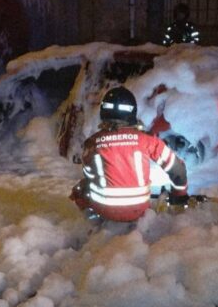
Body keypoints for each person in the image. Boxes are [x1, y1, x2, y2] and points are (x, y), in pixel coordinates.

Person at [70, 86, 189, 222]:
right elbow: (178, 170)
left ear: (103, 111)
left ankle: (92, 222)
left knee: (81, 187)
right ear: (132, 112)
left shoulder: (92, 143)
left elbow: (89, 174)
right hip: (138, 210)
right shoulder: (146, 140)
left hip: (104, 211)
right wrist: (179, 197)